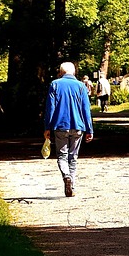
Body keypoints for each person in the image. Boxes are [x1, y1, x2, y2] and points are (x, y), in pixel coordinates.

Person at [43, 61, 94, 197]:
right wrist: (90, 129)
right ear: (74, 72)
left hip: (60, 125)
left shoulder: (55, 84)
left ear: (61, 72)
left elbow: (50, 108)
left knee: (62, 155)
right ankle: (72, 184)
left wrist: (47, 127)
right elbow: (86, 110)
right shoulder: (81, 86)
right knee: (73, 156)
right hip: (78, 126)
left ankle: (66, 176)